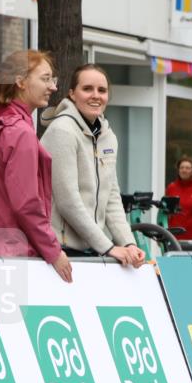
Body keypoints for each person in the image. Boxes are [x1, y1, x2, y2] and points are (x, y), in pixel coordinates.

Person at [0, 50, 72, 282]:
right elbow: (26, 204)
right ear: (20, 81)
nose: (53, 87)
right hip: (15, 257)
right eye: (45, 78)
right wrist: (54, 252)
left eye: (52, 80)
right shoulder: (20, 132)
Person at [40, 64, 144, 268]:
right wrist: (108, 247)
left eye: (102, 90)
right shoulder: (62, 131)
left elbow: (112, 197)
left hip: (91, 249)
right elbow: (67, 201)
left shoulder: (108, 136)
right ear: (72, 94)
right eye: (87, 89)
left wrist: (128, 243)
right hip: (59, 252)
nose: (95, 95)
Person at [165, 156, 192, 241]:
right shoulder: (171, 187)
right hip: (173, 235)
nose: (184, 170)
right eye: (181, 168)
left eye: (187, 168)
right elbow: (164, 212)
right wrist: (162, 233)